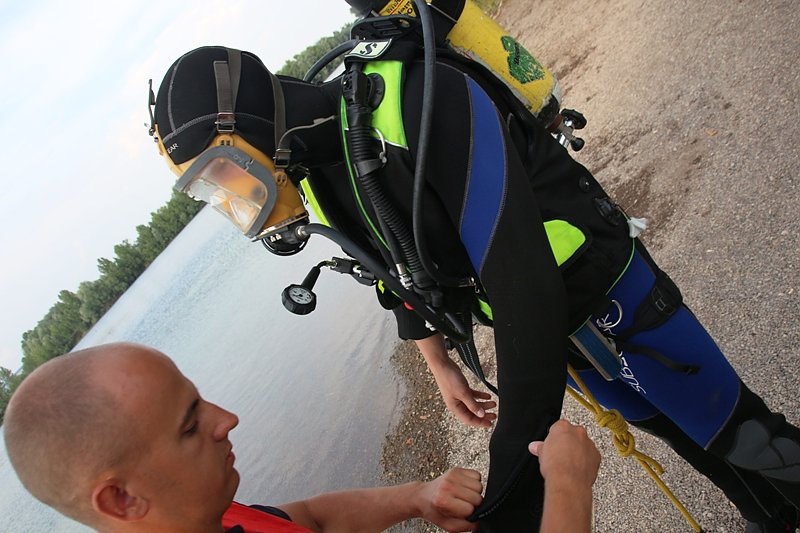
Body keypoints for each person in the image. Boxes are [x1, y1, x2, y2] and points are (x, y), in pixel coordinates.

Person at [144, 10, 800, 531]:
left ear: (248, 125)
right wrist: (437, 362)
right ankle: (770, 512)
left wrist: (509, 497)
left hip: (607, 292)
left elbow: (525, 295)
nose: (232, 197)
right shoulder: (319, 173)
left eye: (222, 174)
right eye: (212, 193)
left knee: (737, 428)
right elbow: (392, 266)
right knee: (672, 427)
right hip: (564, 333)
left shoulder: (419, 100)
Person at [3, 342, 600, 533]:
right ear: (122, 500)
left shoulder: (208, 517)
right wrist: (568, 488)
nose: (227, 418)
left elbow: (308, 519)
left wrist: (418, 496)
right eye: (190, 424)